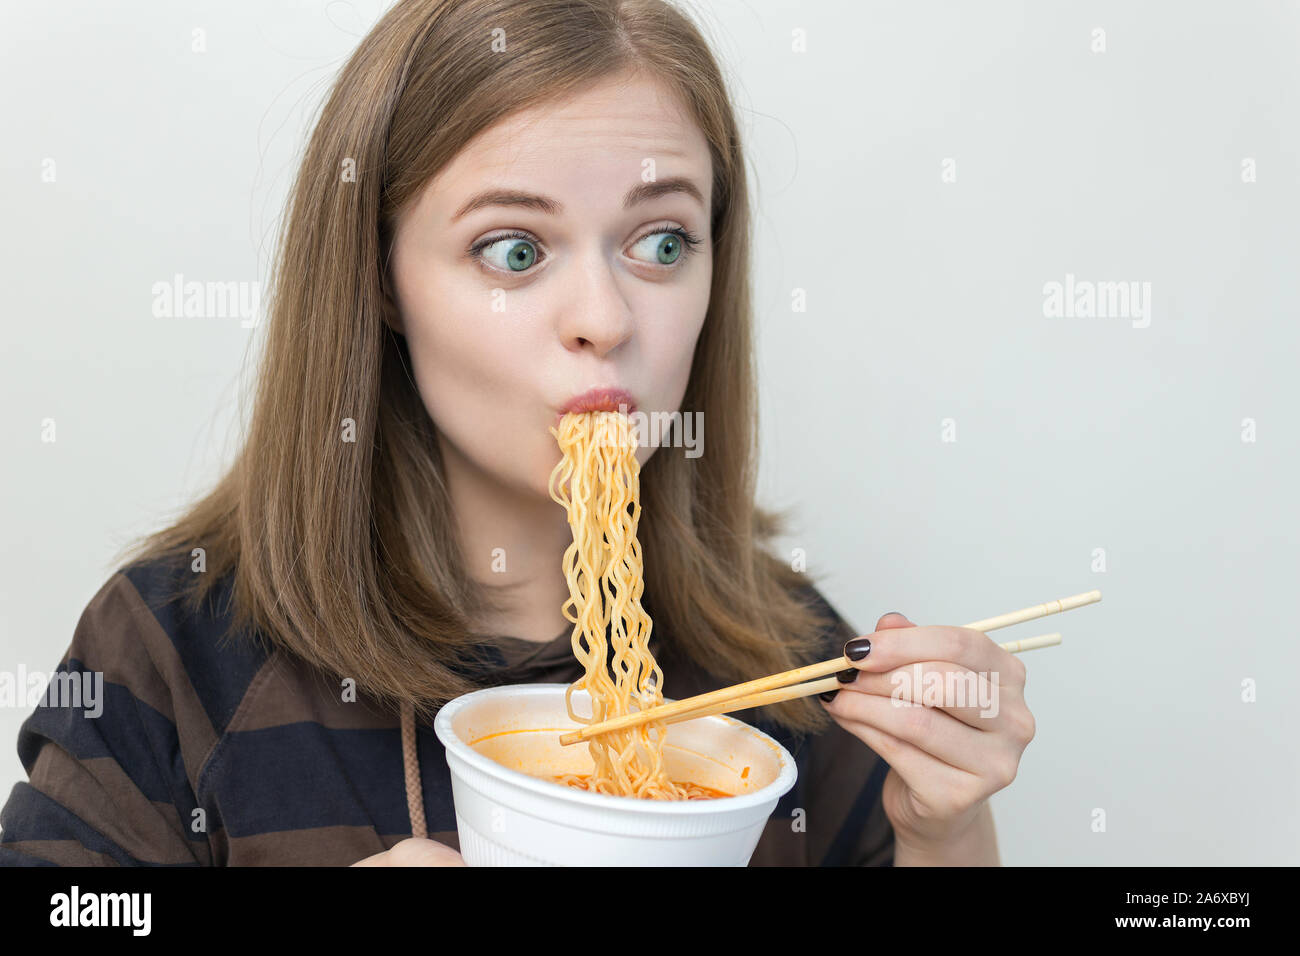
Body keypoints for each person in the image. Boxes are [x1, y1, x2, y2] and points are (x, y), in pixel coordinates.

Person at [0, 0, 1032, 867]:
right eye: (513, 249)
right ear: (380, 280)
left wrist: (947, 831)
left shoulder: (795, 670)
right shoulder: (178, 652)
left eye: (661, 241)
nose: (607, 316)